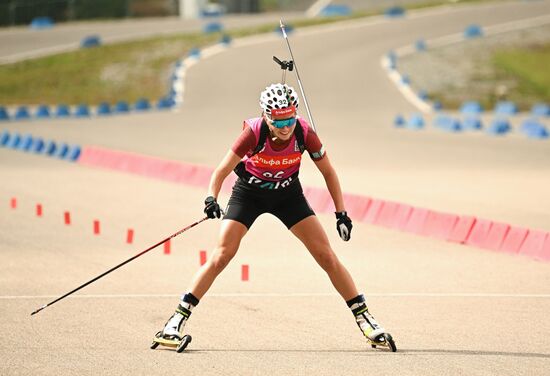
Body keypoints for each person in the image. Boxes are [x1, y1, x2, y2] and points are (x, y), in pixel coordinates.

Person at [158, 83, 390, 347]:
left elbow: (329, 172)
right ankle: (175, 320)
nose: (285, 127)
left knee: (326, 255)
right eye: (278, 121)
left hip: (287, 196)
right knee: (222, 255)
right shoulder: (253, 133)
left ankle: (365, 319)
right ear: (267, 116)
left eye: (289, 119)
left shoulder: (304, 132)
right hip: (248, 195)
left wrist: (341, 213)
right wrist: (211, 198)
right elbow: (221, 171)